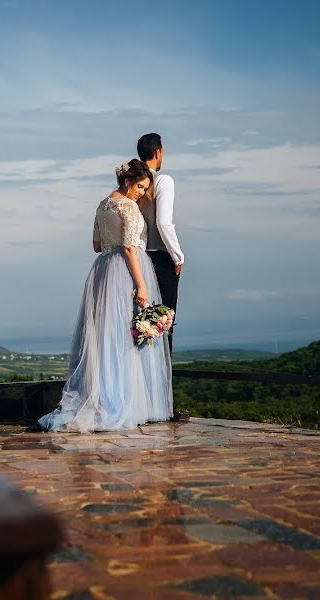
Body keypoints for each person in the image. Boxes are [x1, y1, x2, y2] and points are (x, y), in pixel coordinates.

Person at [39, 159, 173, 432]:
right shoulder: (129, 208)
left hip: (103, 272)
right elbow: (128, 249)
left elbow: (97, 245)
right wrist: (141, 284)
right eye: (139, 186)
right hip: (127, 271)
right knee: (126, 337)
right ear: (127, 181)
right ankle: (126, 402)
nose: (140, 193)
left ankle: (103, 396)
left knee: (105, 336)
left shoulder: (102, 205)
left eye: (144, 189)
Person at [137, 132, 189, 421]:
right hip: (162, 258)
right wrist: (178, 255)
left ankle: (144, 401)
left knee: (141, 329)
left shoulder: (134, 182)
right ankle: (164, 406)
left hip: (140, 260)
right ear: (159, 152)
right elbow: (163, 222)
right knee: (163, 330)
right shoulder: (162, 181)